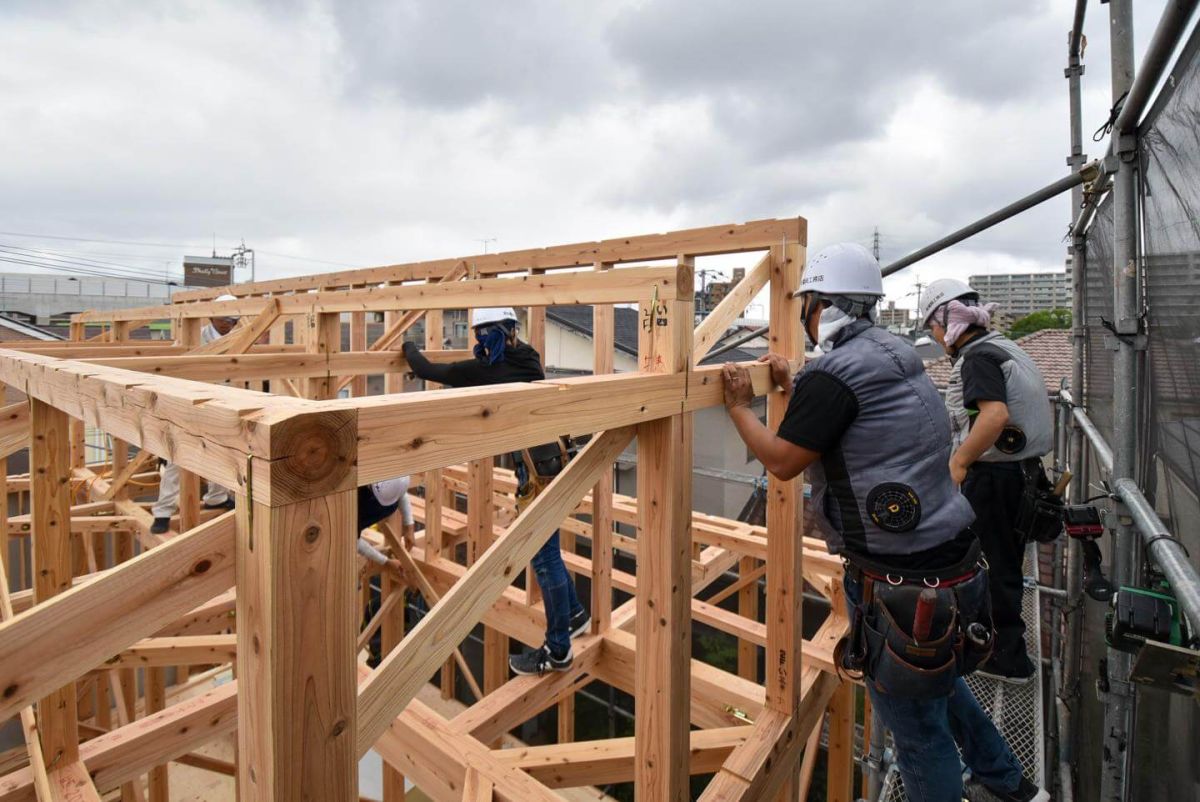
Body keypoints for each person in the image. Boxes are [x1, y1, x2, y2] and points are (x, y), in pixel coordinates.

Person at [720, 243, 1046, 802]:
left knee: (920, 735)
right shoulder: (895, 351)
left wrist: (737, 408)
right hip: (953, 559)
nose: (805, 315)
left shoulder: (835, 374)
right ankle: (1009, 784)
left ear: (822, 303)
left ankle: (994, 783)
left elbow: (782, 462)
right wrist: (794, 386)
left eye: (808, 304)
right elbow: (854, 421)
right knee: (941, 687)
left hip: (900, 583)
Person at [402, 307, 590, 675]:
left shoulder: (487, 371)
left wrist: (409, 346)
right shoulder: (529, 359)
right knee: (548, 549)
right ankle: (575, 615)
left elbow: (429, 370)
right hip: (553, 467)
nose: (478, 344)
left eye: (480, 336)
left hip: (536, 477)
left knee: (543, 557)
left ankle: (558, 651)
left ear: (494, 334)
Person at [918, 278, 1054, 684]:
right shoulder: (1003, 346)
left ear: (948, 320)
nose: (934, 335)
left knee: (990, 566)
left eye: (933, 326)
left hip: (996, 477)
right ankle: (1001, 648)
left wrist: (958, 463)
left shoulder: (977, 358)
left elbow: (993, 417)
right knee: (1003, 563)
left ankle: (1004, 659)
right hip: (1021, 474)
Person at [150, 295, 240, 534]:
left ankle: (217, 497)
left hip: (221, 402)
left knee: (222, 452)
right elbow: (172, 364)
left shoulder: (239, 338)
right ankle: (163, 511)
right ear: (211, 316)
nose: (227, 324)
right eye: (223, 318)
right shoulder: (194, 336)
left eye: (232, 320)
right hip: (188, 403)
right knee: (176, 457)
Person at [356, 476, 417, 581]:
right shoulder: (353, 504)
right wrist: (386, 562)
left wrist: (409, 527)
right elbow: (352, 541)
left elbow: (400, 493)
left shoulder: (388, 475)